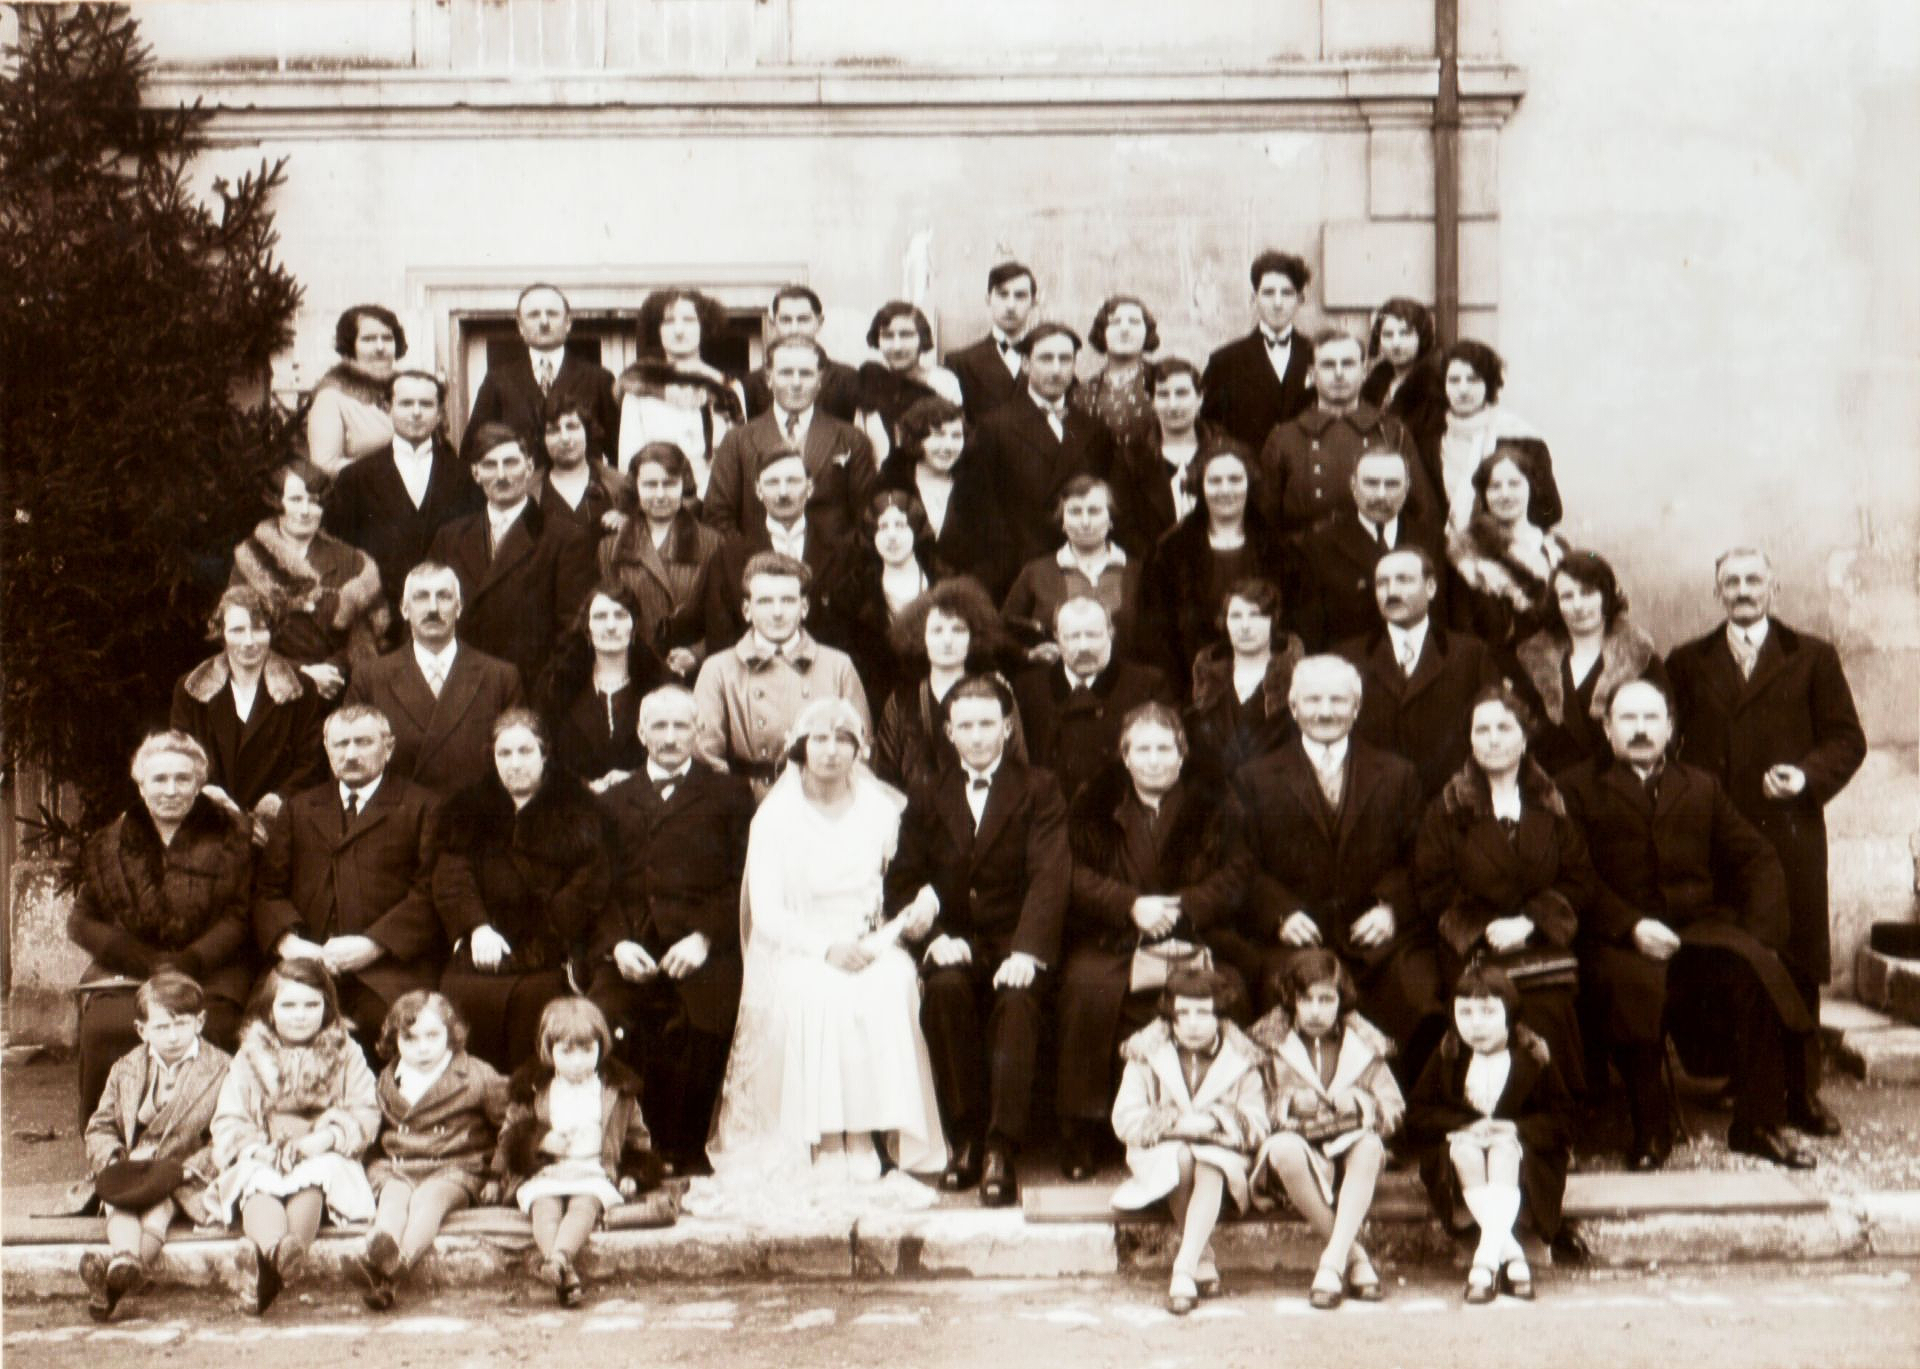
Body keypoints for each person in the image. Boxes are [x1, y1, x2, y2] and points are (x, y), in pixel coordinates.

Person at [1560, 680, 1819, 1171]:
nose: (1640, 730)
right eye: (1628, 719)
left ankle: (1758, 1124)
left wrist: (1759, 935)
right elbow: (1575, 876)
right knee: (1632, 982)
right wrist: (1631, 925)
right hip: (1617, 935)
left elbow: (1756, 856)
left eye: (1650, 719)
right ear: (1608, 728)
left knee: (1755, 970)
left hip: (1694, 930)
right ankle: (1650, 1128)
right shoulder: (1575, 788)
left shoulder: (1700, 786)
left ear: (1670, 728)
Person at [701, 698, 948, 1188]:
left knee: (889, 983)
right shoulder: (776, 818)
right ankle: (826, 1136)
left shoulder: (882, 810)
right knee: (818, 992)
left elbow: (908, 879)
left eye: (843, 740)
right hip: (801, 944)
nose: (832, 750)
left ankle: (864, 1132)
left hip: (869, 938)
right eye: (820, 739)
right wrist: (826, 949)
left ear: (858, 749)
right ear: (800, 747)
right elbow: (767, 913)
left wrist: (921, 908)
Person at [1668, 547, 1865, 1136]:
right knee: (1736, 955)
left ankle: (1801, 1093)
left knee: (1798, 959)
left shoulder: (1812, 657)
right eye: (1731, 581)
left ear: (1774, 589)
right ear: (1717, 593)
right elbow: (1671, 741)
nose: (1743, 590)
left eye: (1754, 580)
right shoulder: (1688, 660)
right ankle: (1741, 1077)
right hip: (1719, 840)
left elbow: (1847, 739)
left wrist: (1806, 776)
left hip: (1790, 835)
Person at [885, 674, 1069, 1205]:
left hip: (1016, 942)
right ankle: (964, 1138)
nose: (978, 736)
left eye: (988, 724)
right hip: (958, 940)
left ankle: (1000, 1148)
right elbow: (902, 880)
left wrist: (1026, 951)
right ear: (948, 731)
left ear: (1008, 728)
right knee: (943, 990)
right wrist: (934, 938)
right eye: (965, 725)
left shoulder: (1039, 788)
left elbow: (1049, 876)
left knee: (1016, 1003)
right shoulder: (926, 792)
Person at [1225, 655, 1443, 1078]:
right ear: (1293, 708)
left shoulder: (1398, 774)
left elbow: (1421, 857)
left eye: (1338, 700)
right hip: (1294, 937)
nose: (1325, 711)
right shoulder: (1255, 777)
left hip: (1374, 937)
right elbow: (1239, 865)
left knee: (1415, 995)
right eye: (1313, 700)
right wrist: (1280, 914)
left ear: (1357, 708)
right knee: (1280, 998)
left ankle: (1397, 1109)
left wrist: (1392, 908)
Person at [1057, 705, 1250, 1181]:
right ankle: (1082, 1129)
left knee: (1227, 985)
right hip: (1117, 933)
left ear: (1182, 755)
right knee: (1086, 987)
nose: (1154, 759)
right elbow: (1074, 874)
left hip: (1192, 935)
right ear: (1125, 757)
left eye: (1165, 748)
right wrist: (1129, 904)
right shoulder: (1094, 807)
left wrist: (1183, 907)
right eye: (1142, 748)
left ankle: (1215, 1123)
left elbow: (1239, 871)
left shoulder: (1215, 803)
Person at [589, 686, 754, 1172]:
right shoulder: (614, 801)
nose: (669, 736)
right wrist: (617, 944)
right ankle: (628, 1148)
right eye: (658, 726)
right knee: (607, 1018)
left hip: (705, 946)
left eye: (681, 726)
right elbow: (598, 888)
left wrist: (704, 937)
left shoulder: (728, 794)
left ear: (698, 731)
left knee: (706, 1019)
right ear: (640, 733)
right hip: (632, 945)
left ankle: (686, 1150)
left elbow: (743, 880)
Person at [1412, 684, 1595, 1097]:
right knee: (1487, 1002)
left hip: (1538, 944)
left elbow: (1579, 879)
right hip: (1472, 946)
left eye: (1504, 728)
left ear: (1524, 737)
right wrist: (1486, 928)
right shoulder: (1447, 806)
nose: (1492, 739)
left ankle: (1550, 1124)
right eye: (1482, 730)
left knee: (1550, 1008)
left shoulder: (1550, 802)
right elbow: (1433, 887)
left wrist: (1530, 922)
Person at [68, 732, 252, 1127]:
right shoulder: (109, 843)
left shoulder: (232, 837)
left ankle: (206, 1136)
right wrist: (144, 961)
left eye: (182, 779)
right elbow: (81, 920)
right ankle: (110, 1142)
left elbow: (239, 916)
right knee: (105, 1029)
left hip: (210, 968)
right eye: (159, 779)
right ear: (141, 784)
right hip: (133, 968)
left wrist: (189, 961)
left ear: (199, 783)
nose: (171, 790)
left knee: (214, 1027)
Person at [433, 709, 611, 1071]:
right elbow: (452, 875)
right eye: (505, 753)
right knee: (460, 995)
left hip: (548, 949)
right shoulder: (467, 810)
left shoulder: (578, 810)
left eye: (525, 752)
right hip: (482, 946)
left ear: (544, 755)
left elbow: (588, 885)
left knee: (535, 1000)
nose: (515, 763)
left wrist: (543, 939)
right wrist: (477, 927)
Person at [254, 706, 445, 1040]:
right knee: (265, 1020)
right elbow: (267, 890)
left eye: (363, 742)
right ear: (327, 750)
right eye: (341, 744)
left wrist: (374, 944)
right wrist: (289, 943)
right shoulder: (299, 808)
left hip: (387, 967)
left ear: (389, 748)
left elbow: (430, 892)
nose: (351, 754)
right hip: (305, 962)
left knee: (384, 1024)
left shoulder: (423, 807)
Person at [212, 958, 380, 1316]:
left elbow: (365, 1110)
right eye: (288, 1005)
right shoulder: (250, 1055)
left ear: (327, 1008)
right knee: (258, 1183)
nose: (300, 1015)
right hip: (267, 1149)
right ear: (270, 1011)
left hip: (321, 1149)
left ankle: (276, 1270)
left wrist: (329, 1137)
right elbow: (230, 1116)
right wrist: (256, 1149)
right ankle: (279, 1249)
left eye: (311, 1005)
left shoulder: (346, 1051)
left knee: (313, 1180)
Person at [1405, 964, 1573, 1305]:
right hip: (1459, 1153)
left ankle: (1484, 1261)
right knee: (1466, 1151)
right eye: (1464, 1013)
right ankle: (1512, 1257)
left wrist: (1514, 1128)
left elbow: (1563, 1120)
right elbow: (1419, 1114)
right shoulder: (1447, 1054)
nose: (1475, 1023)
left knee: (1503, 1151)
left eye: (1487, 1012)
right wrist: (1463, 1125)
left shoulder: (1533, 1056)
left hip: (1522, 1156)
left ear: (1509, 1014)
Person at [75, 971, 233, 1323]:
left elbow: (227, 1132)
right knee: (119, 1203)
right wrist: (114, 1159)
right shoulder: (126, 1069)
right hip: (130, 1168)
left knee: (157, 1210)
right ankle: (125, 1266)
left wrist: (188, 1168)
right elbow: (99, 1126)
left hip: (179, 1173)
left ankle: (116, 1270)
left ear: (200, 1021)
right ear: (142, 1030)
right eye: (162, 1028)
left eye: (182, 1024)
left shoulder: (222, 1069)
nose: (173, 1036)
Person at [1109, 968, 1268, 1315]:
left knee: (1209, 1163)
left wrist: (1215, 1120)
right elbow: (1125, 1118)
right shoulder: (1146, 1055)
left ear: (1220, 1015)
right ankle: (1202, 1257)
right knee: (1182, 1158)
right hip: (1163, 1151)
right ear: (1171, 1016)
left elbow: (1258, 1122)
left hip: (1222, 1154)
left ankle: (1183, 1269)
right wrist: (1175, 1122)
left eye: (1203, 1012)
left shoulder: (1243, 1059)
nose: (1193, 1023)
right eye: (1183, 1013)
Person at [1249, 950, 1402, 1310]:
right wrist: (1285, 1104)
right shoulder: (1266, 1045)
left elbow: (1394, 1108)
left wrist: (1363, 1102)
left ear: (1341, 1000)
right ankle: (1355, 1258)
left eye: (1326, 1000)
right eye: (1305, 1000)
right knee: (1284, 1148)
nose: (1316, 1011)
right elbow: (1247, 1108)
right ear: (1291, 1001)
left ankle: (1332, 1264)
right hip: (1294, 1160)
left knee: (1368, 1146)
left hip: (1348, 1160)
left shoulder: (1364, 1045)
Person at [496, 997, 660, 1308]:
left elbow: (639, 1140)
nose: (577, 1061)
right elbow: (508, 1136)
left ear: (602, 1046)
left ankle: (558, 1260)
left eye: (587, 1050)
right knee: (544, 1207)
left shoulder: (617, 1091)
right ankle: (561, 1269)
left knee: (585, 1206)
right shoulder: (533, 1088)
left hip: (593, 1170)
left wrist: (633, 1174)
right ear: (548, 1050)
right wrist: (540, 1142)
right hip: (548, 1171)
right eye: (566, 1051)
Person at [355, 990, 508, 1311]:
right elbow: (373, 1128)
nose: (422, 1048)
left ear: (452, 1034)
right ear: (394, 1039)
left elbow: (510, 1126)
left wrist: (497, 1174)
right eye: (410, 1038)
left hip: (454, 1166)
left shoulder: (477, 1076)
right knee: (392, 1201)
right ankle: (378, 1253)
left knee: (428, 1202)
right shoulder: (387, 1080)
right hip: (401, 1165)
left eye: (432, 1036)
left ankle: (398, 1267)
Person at [428, 423, 597, 687]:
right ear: (475, 473)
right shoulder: (450, 538)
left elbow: (574, 633)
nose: (501, 475)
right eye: (489, 465)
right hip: (461, 688)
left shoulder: (564, 538)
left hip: (530, 690)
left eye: (510, 463)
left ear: (529, 468)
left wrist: (544, 695)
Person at [693, 552, 869, 798]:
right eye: (765, 601)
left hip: (823, 801)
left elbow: (861, 749)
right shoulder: (718, 669)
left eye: (787, 600)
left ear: (804, 607)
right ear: (746, 610)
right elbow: (705, 755)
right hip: (747, 802)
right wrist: (744, 798)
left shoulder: (838, 665)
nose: (777, 612)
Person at [963, 320, 1115, 599]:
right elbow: (981, 508)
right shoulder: (994, 427)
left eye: (1065, 359)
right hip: (1018, 572)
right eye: (1045, 358)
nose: (1056, 369)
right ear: (1025, 364)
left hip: (1081, 568)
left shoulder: (1094, 430)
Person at [345, 562, 525, 797]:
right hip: (398, 822)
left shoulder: (500, 677)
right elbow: (351, 765)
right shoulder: (370, 678)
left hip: (475, 822)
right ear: (404, 609)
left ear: (459, 608)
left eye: (444, 597)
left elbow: (518, 763)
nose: (433, 608)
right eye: (421, 597)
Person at [1338, 547, 1502, 798]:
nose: (1391, 592)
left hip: (1450, 808)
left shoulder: (1471, 655)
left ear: (1431, 588)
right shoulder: (1348, 657)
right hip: (1374, 806)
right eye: (1382, 583)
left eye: (1404, 580)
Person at [170, 587, 325, 845]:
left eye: (259, 628)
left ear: (272, 631)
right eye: (237, 630)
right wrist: (219, 806)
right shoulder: (190, 688)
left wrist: (275, 805)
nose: (249, 641)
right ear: (221, 634)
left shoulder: (301, 688)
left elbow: (311, 761)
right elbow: (181, 755)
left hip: (278, 830)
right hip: (212, 828)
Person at [325, 368, 484, 616]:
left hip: (448, 614)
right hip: (378, 618)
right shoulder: (355, 478)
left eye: (426, 404)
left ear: (441, 412)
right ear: (387, 406)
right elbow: (338, 552)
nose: (416, 412)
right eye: (406, 403)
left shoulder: (466, 476)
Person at [231, 458, 390, 699]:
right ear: (276, 502)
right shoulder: (252, 558)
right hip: (275, 690)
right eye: (295, 500)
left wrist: (334, 670)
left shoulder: (351, 560)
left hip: (341, 689)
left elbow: (366, 637)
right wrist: (303, 673)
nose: (305, 511)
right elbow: (238, 635)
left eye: (314, 501)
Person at [1140, 440, 1288, 697]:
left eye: (1235, 479)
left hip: (1268, 688)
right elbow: (1156, 634)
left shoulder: (1278, 548)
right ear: (1200, 486)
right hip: (1191, 688)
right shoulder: (1170, 551)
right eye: (1215, 481)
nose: (1225, 489)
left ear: (1249, 483)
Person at [705, 335, 878, 542]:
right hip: (756, 566)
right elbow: (717, 515)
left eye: (805, 373)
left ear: (820, 380)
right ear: (769, 378)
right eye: (786, 373)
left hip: (833, 568)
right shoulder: (737, 440)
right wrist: (747, 562)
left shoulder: (852, 439)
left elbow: (865, 517)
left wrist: (838, 565)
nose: (796, 383)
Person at [1257, 329, 1428, 537]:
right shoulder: (1285, 438)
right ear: (1312, 374)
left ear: (1364, 371)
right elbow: (1265, 520)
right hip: (1305, 560)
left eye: (1348, 364)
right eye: (1328, 365)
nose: (1339, 373)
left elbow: (1421, 512)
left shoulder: (1393, 432)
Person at [1513, 551, 1669, 776]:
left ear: (1606, 596)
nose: (1578, 605)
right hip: (1550, 791)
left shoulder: (1641, 659)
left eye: (1587, 593)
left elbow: (1663, 733)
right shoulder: (1532, 661)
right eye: (1567, 596)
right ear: (1556, 603)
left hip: (1618, 791)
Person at [1012, 595, 1175, 806]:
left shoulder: (1148, 686)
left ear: (1111, 633)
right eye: (1072, 636)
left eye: (1092, 635)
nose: (1083, 646)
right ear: (1056, 638)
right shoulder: (1028, 689)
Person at [1291, 447, 1449, 652]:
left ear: (1407, 487)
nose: (1381, 494)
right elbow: (1311, 631)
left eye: (1392, 484)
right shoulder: (1318, 546)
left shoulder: (1433, 541)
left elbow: (1445, 619)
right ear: (1353, 485)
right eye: (1371, 483)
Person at [873, 577, 1023, 792]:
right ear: (920, 638)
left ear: (974, 637)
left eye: (958, 630)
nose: (947, 640)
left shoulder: (997, 694)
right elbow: (884, 778)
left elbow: (1018, 769)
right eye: (937, 630)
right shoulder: (901, 701)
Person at [701, 448, 856, 651]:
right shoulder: (729, 557)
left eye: (792, 481)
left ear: (809, 488)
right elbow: (720, 637)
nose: (783, 492)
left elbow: (851, 634)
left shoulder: (842, 553)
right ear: (758, 490)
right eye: (772, 482)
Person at [597, 441, 724, 678]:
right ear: (636, 487)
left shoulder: (712, 543)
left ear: (683, 485)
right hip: (634, 671)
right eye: (650, 485)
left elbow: (722, 618)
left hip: (693, 674)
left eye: (669, 484)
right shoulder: (610, 548)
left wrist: (696, 654)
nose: (660, 494)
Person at [460, 284, 620, 466]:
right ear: (520, 326)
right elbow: (473, 450)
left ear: (568, 323)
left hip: (583, 492)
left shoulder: (599, 379)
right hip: (521, 492)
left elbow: (619, 450)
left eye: (552, 313)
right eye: (534, 315)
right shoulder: (497, 381)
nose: (544, 322)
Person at [532, 582, 668, 789]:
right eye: (600, 617)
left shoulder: (663, 683)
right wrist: (585, 787)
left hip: (647, 804)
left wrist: (633, 780)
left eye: (620, 615)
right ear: (587, 628)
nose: (611, 626)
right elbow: (543, 756)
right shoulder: (556, 684)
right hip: (575, 806)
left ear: (634, 627)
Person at [615, 287, 746, 493]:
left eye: (689, 320)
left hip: (715, 503)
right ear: (656, 330)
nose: (679, 330)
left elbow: (738, 459)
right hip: (657, 500)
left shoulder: (727, 387)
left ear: (704, 326)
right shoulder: (639, 388)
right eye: (668, 321)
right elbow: (628, 461)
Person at [1001, 474, 1142, 662]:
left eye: (1094, 511)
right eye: (1075, 512)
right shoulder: (1035, 573)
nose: (1085, 522)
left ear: (1111, 520)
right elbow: (1001, 632)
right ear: (1062, 522)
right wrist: (1028, 654)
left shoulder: (1137, 572)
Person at [1427, 340, 1561, 533]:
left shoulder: (1522, 438)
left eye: (1473, 379)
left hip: (1508, 547)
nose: (1463, 389)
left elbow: (1550, 511)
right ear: (1443, 384)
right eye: (1454, 380)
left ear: (1489, 383)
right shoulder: (1431, 439)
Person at [1448, 443, 1570, 648]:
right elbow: (1463, 632)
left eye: (1514, 484)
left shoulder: (1556, 548)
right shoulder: (1467, 552)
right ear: (1484, 494)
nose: (1505, 494)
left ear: (1531, 486)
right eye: (1495, 486)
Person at [1184, 576, 1305, 774]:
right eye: (1236, 616)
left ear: (1273, 620)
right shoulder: (1205, 683)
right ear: (1224, 622)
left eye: (1256, 615)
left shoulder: (1298, 681)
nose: (1245, 626)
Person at [1200, 250, 1316, 451]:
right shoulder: (1224, 361)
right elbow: (1209, 426)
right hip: (1248, 474)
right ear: (1254, 298)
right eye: (1268, 293)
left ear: (1300, 299)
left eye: (1287, 293)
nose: (1277, 303)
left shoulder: (1318, 355)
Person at [832, 488, 938, 705]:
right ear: (872, 534)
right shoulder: (852, 593)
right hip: (875, 700)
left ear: (916, 530)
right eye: (882, 527)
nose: (892, 536)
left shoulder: (942, 582)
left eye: (900, 525)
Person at [1108, 357, 1216, 553]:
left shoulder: (1223, 449)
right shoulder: (1130, 457)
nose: (1173, 405)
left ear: (1200, 398)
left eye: (1182, 393)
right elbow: (1123, 527)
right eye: (1163, 395)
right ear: (1152, 402)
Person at [876, 395, 991, 580]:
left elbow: (996, 556)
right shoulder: (890, 484)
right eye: (938, 435)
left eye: (956, 436)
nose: (948, 446)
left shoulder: (977, 486)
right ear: (916, 438)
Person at [855, 300, 963, 463]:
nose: (897, 346)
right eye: (888, 336)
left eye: (906, 335)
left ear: (922, 338)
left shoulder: (943, 382)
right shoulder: (870, 381)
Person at [742, 284, 863, 422]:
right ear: (773, 324)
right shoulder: (751, 383)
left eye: (803, 319)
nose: (794, 329)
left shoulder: (848, 379)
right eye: (786, 320)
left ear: (819, 322)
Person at [306, 304, 401, 474]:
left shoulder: (407, 388)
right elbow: (325, 465)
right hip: (361, 496)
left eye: (387, 338)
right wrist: (394, 474)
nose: (380, 347)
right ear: (350, 346)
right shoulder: (331, 396)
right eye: (368, 339)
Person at [945, 260, 1038, 425]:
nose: (1010, 305)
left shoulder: (1051, 359)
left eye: (1020, 296)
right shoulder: (960, 363)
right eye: (1002, 294)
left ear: (1033, 302)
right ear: (988, 299)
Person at [1070, 293, 1159, 453]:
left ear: (1147, 331)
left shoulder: (1164, 382)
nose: (1125, 329)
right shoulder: (1082, 392)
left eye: (1134, 322)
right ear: (1102, 332)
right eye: (1115, 322)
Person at [535, 389, 627, 542]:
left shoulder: (620, 485)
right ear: (543, 439)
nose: (565, 438)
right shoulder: (530, 492)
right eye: (554, 430)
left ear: (587, 431)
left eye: (572, 427)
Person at [1360, 296, 1445, 429]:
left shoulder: (1433, 385)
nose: (1396, 343)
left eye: (1405, 334)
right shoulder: (1377, 381)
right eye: (1388, 335)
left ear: (1422, 337)